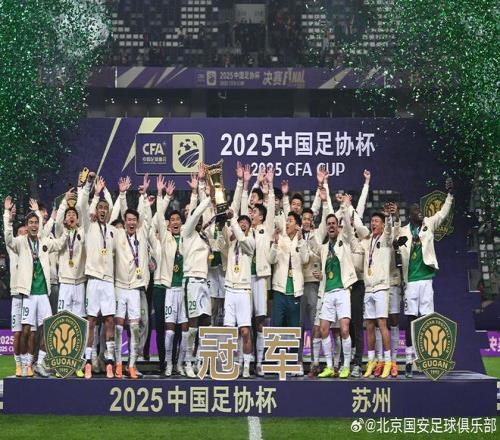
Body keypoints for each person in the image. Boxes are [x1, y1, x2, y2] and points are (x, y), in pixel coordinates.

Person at [4, 197, 68, 377]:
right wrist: (7, 215)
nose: (33, 225)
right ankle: (26, 364)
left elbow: (60, 243)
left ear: (39, 225)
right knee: (27, 332)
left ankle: (40, 363)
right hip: (29, 294)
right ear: (27, 225)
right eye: (30, 223)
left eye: (36, 222)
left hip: (43, 294)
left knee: (48, 329)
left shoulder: (44, 242)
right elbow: (8, 239)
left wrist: (67, 230)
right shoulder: (20, 242)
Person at [398, 178, 454, 378]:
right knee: (411, 318)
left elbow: (443, 213)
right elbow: (393, 243)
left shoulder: (428, 224)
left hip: (426, 278)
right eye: (416, 210)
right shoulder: (403, 231)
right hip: (411, 281)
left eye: (420, 209)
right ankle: (409, 360)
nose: (420, 211)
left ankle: (426, 358)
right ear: (410, 215)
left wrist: (450, 195)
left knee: (427, 318)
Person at [82, 175, 123, 378]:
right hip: (93, 280)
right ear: (96, 210)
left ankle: (109, 361)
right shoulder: (89, 226)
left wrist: (114, 194)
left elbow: (117, 209)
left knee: (109, 321)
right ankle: (88, 361)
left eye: (106, 208)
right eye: (100, 208)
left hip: (108, 281)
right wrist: (94, 192)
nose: (103, 210)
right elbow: (83, 205)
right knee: (91, 321)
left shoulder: (114, 231)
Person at [113, 175, 153, 379]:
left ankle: (132, 364)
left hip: (136, 287)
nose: (131, 222)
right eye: (128, 219)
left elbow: (146, 216)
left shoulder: (142, 234)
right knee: (119, 327)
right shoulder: (118, 235)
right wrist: (122, 195)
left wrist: (143, 196)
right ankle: (118, 364)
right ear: (124, 221)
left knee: (135, 328)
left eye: (134, 220)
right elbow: (122, 211)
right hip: (120, 286)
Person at [312, 203, 358, 379]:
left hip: (342, 291)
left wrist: (345, 207)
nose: (331, 226)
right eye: (328, 224)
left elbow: (348, 228)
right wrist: (320, 275)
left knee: (344, 330)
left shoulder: (344, 242)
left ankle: (345, 366)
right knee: (323, 329)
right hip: (328, 292)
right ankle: (330, 367)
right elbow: (313, 245)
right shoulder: (324, 248)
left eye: (334, 223)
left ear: (338, 227)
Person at [217, 212, 255, 378]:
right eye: (241, 222)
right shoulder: (231, 243)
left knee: (245, 331)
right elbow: (222, 237)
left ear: (249, 227)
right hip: (230, 290)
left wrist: (233, 219)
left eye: (246, 223)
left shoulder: (250, 242)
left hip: (243, 291)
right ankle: (231, 365)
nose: (243, 224)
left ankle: (246, 366)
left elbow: (240, 237)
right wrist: (222, 222)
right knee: (229, 332)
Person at [3, 202, 28, 377]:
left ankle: (28, 362)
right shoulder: (12, 249)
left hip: (29, 294)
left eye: (25, 233)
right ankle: (18, 363)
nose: (23, 236)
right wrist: (8, 216)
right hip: (16, 294)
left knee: (28, 332)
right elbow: (7, 235)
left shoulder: (31, 250)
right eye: (20, 233)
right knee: (17, 332)